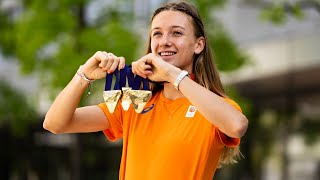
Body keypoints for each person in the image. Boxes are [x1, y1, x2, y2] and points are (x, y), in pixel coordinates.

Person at [43, 1, 248, 179]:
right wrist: (84, 75)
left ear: (198, 45)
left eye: (176, 33)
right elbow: (55, 123)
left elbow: (237, 125)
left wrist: (171, 74)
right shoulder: (135, 101)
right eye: (157, 34)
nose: (164, 41)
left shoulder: (211, 107)